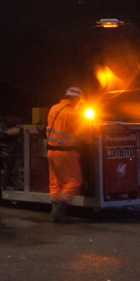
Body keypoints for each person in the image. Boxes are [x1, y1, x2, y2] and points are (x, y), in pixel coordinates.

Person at [45, 86, 87, 222]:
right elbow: (81, 133)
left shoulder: (54, 108)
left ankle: (55, 211)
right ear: (76, 98)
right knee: (75, 181)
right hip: (66, 152)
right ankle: (60, 209)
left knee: (55, 182)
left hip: (51, 151)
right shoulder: (72, 113)